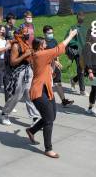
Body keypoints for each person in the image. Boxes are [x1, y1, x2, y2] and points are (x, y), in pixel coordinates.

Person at [25, 28, 78, 158]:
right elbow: (59, 48)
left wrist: (54, 63)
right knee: (49, 120)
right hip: (38, 92)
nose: (46, 44)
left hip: (47, 89)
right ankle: (48, 149)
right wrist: (71, 35)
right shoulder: (39, 55)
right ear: (39, 46)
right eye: (44, 43)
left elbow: (50, 71)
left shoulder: (41, 55)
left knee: (51, 116)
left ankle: (32, 130)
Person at [0, 27, 40, 126]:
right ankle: (4, 113)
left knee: (29, 95)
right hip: (18, 73)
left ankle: (35, 117)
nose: (27, 35)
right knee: (16, 96)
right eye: (25, 33)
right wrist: (24, 55)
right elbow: (13, 62)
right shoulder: (16, 46)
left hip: (28, 72)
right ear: (20, 34)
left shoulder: (26, 44)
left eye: (28, 33)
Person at [42, 25, 74, 107]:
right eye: (49, 33)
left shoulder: (54, 41)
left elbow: (57, 53)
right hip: (47, 67)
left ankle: (64, 101)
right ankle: (44, 101)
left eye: (52, 32)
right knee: (47, 85)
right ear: (44, 33)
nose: (51, 34)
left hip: (55, 65)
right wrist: (54, 62)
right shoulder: (43, 43)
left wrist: (58, 63)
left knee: (58, 83)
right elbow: (45, 56)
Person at [68, 11, 88, 96]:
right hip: (78, 53)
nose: (81, 19)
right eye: (80, 17)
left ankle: (74, 80)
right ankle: (82, 90)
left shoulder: (87, 28)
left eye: (83, 17)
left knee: (87, 70)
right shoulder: (73, 28)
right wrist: (77, 44)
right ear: (77, 18)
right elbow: (69, 40)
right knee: (81, 70)